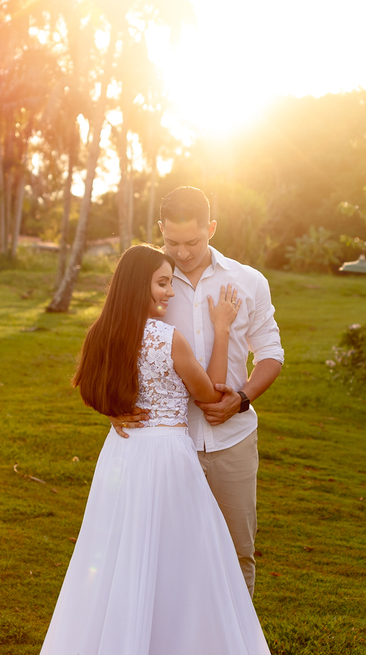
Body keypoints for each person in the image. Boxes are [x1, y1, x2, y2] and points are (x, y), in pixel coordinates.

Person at [0, 244, 330, 655]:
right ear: (141, 288)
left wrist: (117, 412)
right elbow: (211, 396)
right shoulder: (167, 340)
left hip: (121, 461)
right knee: (181, 571)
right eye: (161, 284)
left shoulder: (102, 336)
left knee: (118, 567)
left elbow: (89, 388)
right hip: (165, 463)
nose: (167, 293)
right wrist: (220, 324)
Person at [111, 186, 281, 597]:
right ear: (159, 231)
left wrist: (242, 399)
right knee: (167, 554)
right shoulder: (146, 284)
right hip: (166, 445)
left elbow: (271, 354)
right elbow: (117, 346)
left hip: (232, 442)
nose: (182, 253)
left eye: (193, 242)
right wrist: (113, 405)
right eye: (171, 242)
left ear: (212, 228)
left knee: (237, 551)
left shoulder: (249, 282)